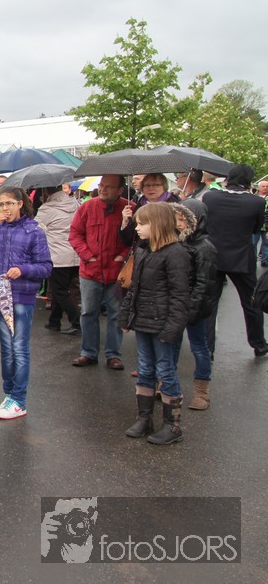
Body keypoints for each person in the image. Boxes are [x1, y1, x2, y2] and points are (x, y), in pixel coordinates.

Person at [0, 186, 52, 420]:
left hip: (22, 296)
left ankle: (19, 400)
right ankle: (9, 394)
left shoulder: (33, 230)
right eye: (1, 204)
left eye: (9, 204)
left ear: (20, 204)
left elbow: (46, 267)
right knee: (6, 348)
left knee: (19, 348)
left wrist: (23, 269)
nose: (4, 208)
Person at [119, 202, 190, 445]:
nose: (137, 228)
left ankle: (173, 425)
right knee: (145, 370)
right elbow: (134, 289)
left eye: (141, 224)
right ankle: (144, 418)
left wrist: (172, 328)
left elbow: (180, 296)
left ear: (157, 224)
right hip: (143, 322)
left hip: (162, 324)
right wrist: (126, 317)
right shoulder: (143, 250)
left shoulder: (176, 253)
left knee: (165, 371)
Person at [203, 164, 268, 358]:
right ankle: (258, 344)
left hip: (213, 255)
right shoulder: (256, 202)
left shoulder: (210, 197)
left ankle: (207, 349)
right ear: (249, 180)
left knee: (210, 304)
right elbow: (256, 228)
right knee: (251, 302)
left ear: (228, 178)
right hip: (242, 257)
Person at [68, 175, 130, 369]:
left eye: (109, 187)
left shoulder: (129, 208)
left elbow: (135, 239)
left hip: (117, 272)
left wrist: (122, 256)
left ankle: (113, 354)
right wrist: (88, 256)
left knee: (116, 314)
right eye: (101, 185)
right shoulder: (87, 206)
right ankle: (88, 352)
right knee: (88, 313)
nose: (103, 189)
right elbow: (75, 234)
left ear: (120, 190)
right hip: (90, 270)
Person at [170, 201, 216, 410]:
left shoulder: (205, 247)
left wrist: (192, 310)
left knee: (199, 347)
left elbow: (204, 284)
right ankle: (168, 385)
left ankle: (201, 392)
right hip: (176, 304)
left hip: (195, 307)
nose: (179, 223)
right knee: (171, 345)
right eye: (176, 219)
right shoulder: (176, 242)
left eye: (183, 219)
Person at [35, 185, 81, 335]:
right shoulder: (75, 203)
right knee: (60, 289)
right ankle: (54, 321)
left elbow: (35, 229)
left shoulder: (47, 208)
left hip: (57, 256)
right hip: (75, 253)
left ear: (46, 191)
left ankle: (77, 322)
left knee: (59, 291)